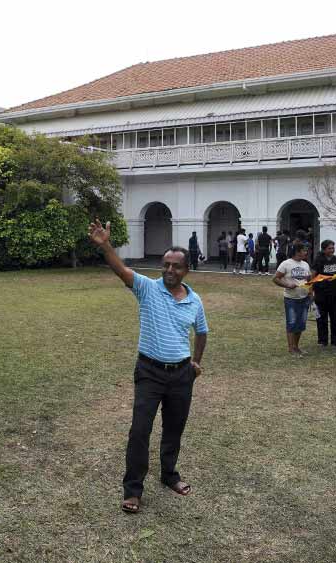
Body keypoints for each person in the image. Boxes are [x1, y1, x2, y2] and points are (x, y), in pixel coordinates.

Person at [87, 219, 207, 515]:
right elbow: (122, 270)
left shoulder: (194, 300)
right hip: (149, 372)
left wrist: (196, 362)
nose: (169, 270)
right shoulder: (147, 289)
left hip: (181, 374)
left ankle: (169, 475)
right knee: (140, 430)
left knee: (174, 429)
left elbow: (202, 332)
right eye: (165, 264)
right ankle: (133, 490)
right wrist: (106, 246)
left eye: (176, 266)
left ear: (186, 270)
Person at [309, 240, 336, 347]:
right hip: (321, 294)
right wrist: (311, 292)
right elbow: (312, 277)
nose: (332, 250)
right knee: (321, 318)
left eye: (333, 248)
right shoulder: (318, 260)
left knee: (335, 318)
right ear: (324, 249)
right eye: (329, 248)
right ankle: (322, 340)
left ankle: (335, 340)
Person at [274, 243, 312, 356]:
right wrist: (287, 285)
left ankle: (296, 346)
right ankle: (291, 349)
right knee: (291, 322)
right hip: (291, 299)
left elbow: (309, 280)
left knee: (301, 323)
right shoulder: (286, 264)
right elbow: (275, 278)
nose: (306, 252)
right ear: (297, 251)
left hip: (304, 298)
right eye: (304, 250)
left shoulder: (305, 264)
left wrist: (311, 292)